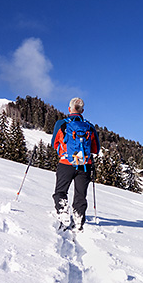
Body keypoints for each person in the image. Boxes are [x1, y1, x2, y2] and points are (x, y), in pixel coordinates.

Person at [51, 97, 100, 231]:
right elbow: (96, 149)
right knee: (80, 194)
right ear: (82, 110)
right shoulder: (89, 126)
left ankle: (63, 211)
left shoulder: (62, 124)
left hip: (66, 163)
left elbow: (54, 143)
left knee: (61, 191)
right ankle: (78, 217)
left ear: (69, 109)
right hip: (84, 165)